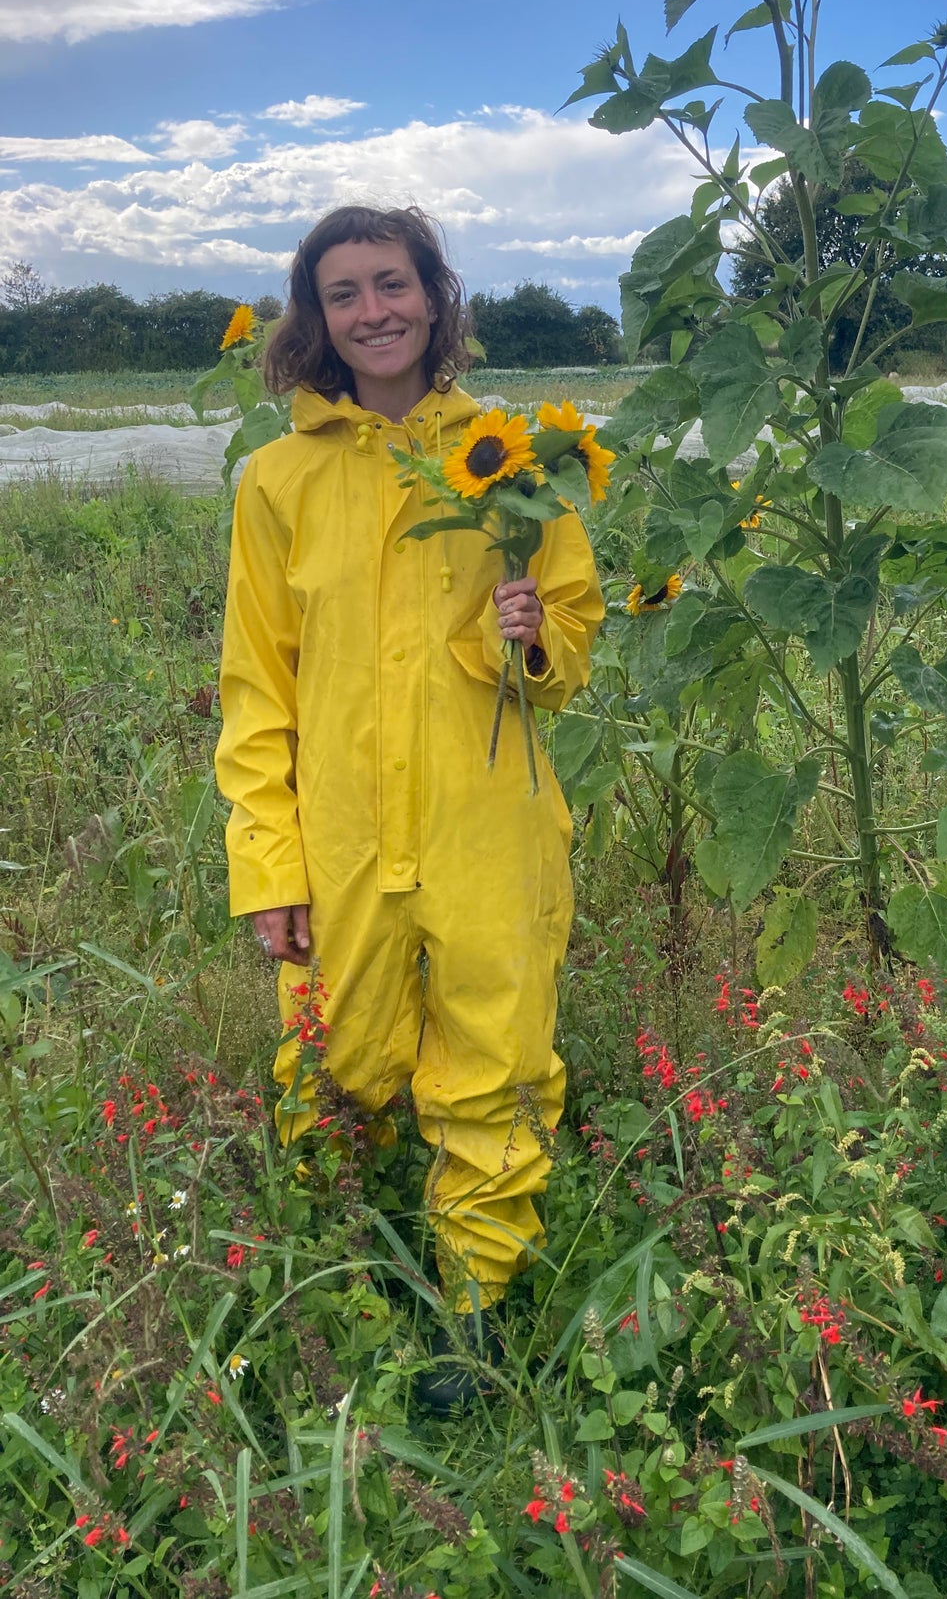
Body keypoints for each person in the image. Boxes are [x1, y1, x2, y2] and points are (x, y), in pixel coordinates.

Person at [214, 204, 604, 1410]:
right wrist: (269, 863)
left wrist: (531, 640)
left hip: (491, 824)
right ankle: (352, 1281)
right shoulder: (274, 480)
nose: (372, 310)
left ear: (435, 296)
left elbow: (575, 643)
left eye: (392, 282)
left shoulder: (518, 466)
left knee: (493, 1053)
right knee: (334, 1055)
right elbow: (254, 690)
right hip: (334, 837)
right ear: (313, 318)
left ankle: (475, 1316)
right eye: (344, 293)